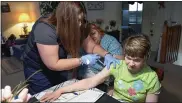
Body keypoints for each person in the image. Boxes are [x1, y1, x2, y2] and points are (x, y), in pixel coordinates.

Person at [22, 1, 120, 95]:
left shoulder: (80, 23)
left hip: (59, 61)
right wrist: (82, 60)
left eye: (81, 20)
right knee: (45, 94)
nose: (80, 24)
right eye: (76, 21)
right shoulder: (45, 29)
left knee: (61, 89)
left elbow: (91, 46)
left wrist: (107, 54)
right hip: (37, 68)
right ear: (65, 20)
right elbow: (53, 64)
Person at [40, 35, 161, 102]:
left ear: (145, 58)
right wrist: (61, 90)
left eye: (137, 60)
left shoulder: (152, 78)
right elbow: (91, 81)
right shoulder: (118, 65)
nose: (131, 64)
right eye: (128, 58)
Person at [78, 23, 124, 92]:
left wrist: (110, 56)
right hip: (91, 72)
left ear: (99, 31)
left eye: (93, 33)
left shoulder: (110, 41)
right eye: (88, 36)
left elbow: (120, 60)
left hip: (107, 75)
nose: (91, 38)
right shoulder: (85, 43)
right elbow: (80, 60)